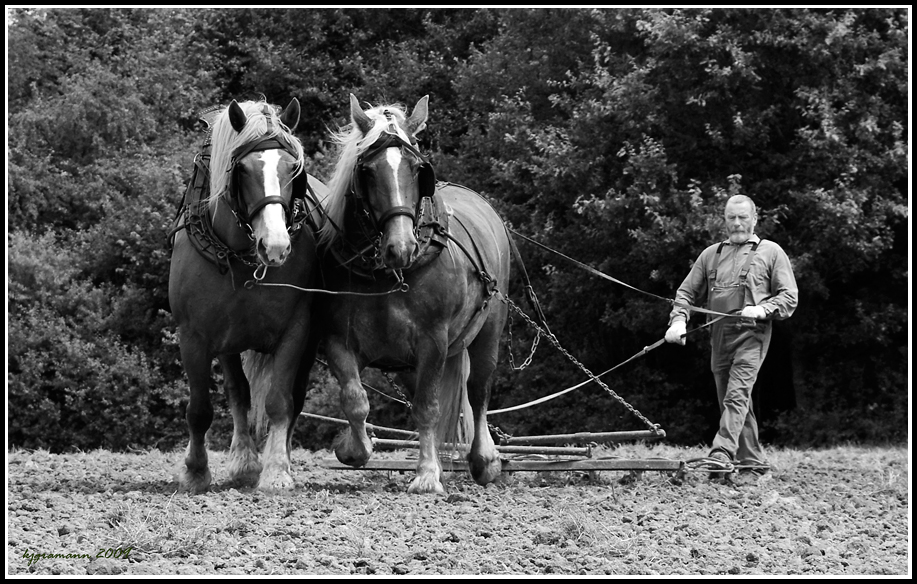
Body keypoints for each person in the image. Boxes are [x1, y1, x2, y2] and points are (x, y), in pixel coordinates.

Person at [664, 195, 798, 482]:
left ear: (754, 219)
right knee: (733, 400)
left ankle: (721, 453)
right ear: (724, 220)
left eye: (743, 217)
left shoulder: (771, 252)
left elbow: (789, 296)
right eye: (731, 218)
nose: (737, 223)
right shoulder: (710, 255)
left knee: (736, 394)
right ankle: (753, 464)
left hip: (752, 335)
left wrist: (763, 308)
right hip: (719, 336)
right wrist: (678, 320)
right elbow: (686, 293)